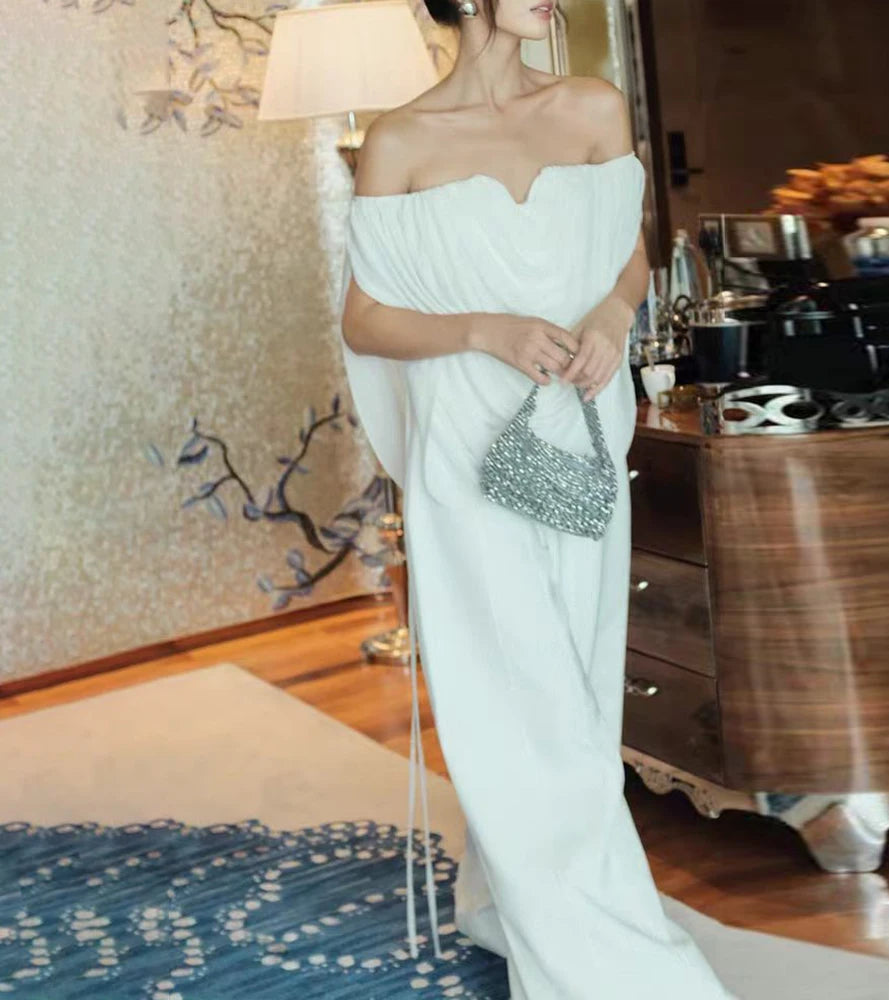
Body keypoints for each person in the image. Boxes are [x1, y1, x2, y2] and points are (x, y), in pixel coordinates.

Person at [337, 1, 737, 997]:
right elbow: (367, 320)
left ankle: (501, 897)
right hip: (469, 439)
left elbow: (629, 254)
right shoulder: (401, 139)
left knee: (576, 685)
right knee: (514, 689)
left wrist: (609, 312)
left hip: (583, 425)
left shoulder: (592, 107)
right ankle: (617, 969)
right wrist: (484, 330)